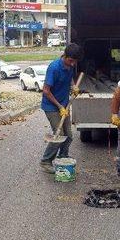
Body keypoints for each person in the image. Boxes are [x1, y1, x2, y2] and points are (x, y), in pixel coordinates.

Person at [39, 43, 82, 173]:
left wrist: (73, 86)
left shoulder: (70, 66)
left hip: (63, 104)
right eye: (71, 61)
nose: (73, 64)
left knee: (69, 135)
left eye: (75, 61)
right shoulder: (54, 68)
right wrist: (59, 106)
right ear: (65, 56)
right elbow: (46, 90)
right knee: (59, 135)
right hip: (51, 106)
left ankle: (63, 156)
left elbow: (69, 80)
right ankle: (45, 161)